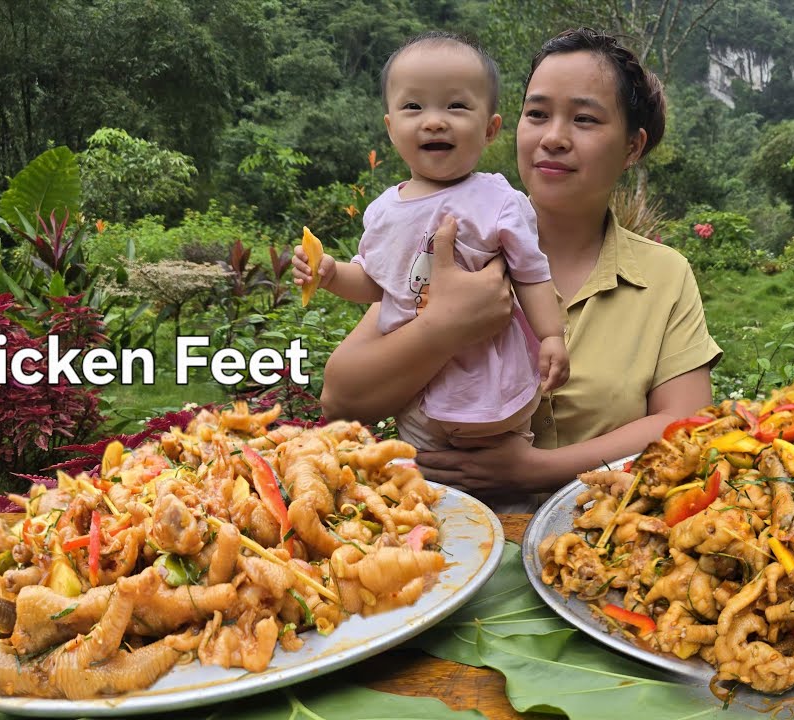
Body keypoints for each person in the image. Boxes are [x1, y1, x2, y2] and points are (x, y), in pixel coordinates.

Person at [295, 27, 722, 508]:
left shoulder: (663, 274)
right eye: (537, 114)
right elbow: (343, 399)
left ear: (631, 147)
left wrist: (534, 471)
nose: (554, 138)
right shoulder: (457, 244)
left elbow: (687, 420)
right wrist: (444, 327)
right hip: (447, 548)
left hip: (597, 545)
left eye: (585, 119)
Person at [308, 31, 570, 453]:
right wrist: (333, 273)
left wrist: (552, 336)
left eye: (456, 105)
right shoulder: (382, 211)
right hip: (417, 387)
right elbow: (376, 284)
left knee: (501, 478)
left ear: (489, 128)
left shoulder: (498, 200)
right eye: (414, 106)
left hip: (489, 382)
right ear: (391, 128)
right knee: (425, 483)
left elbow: (530, 274)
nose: (434, 120)